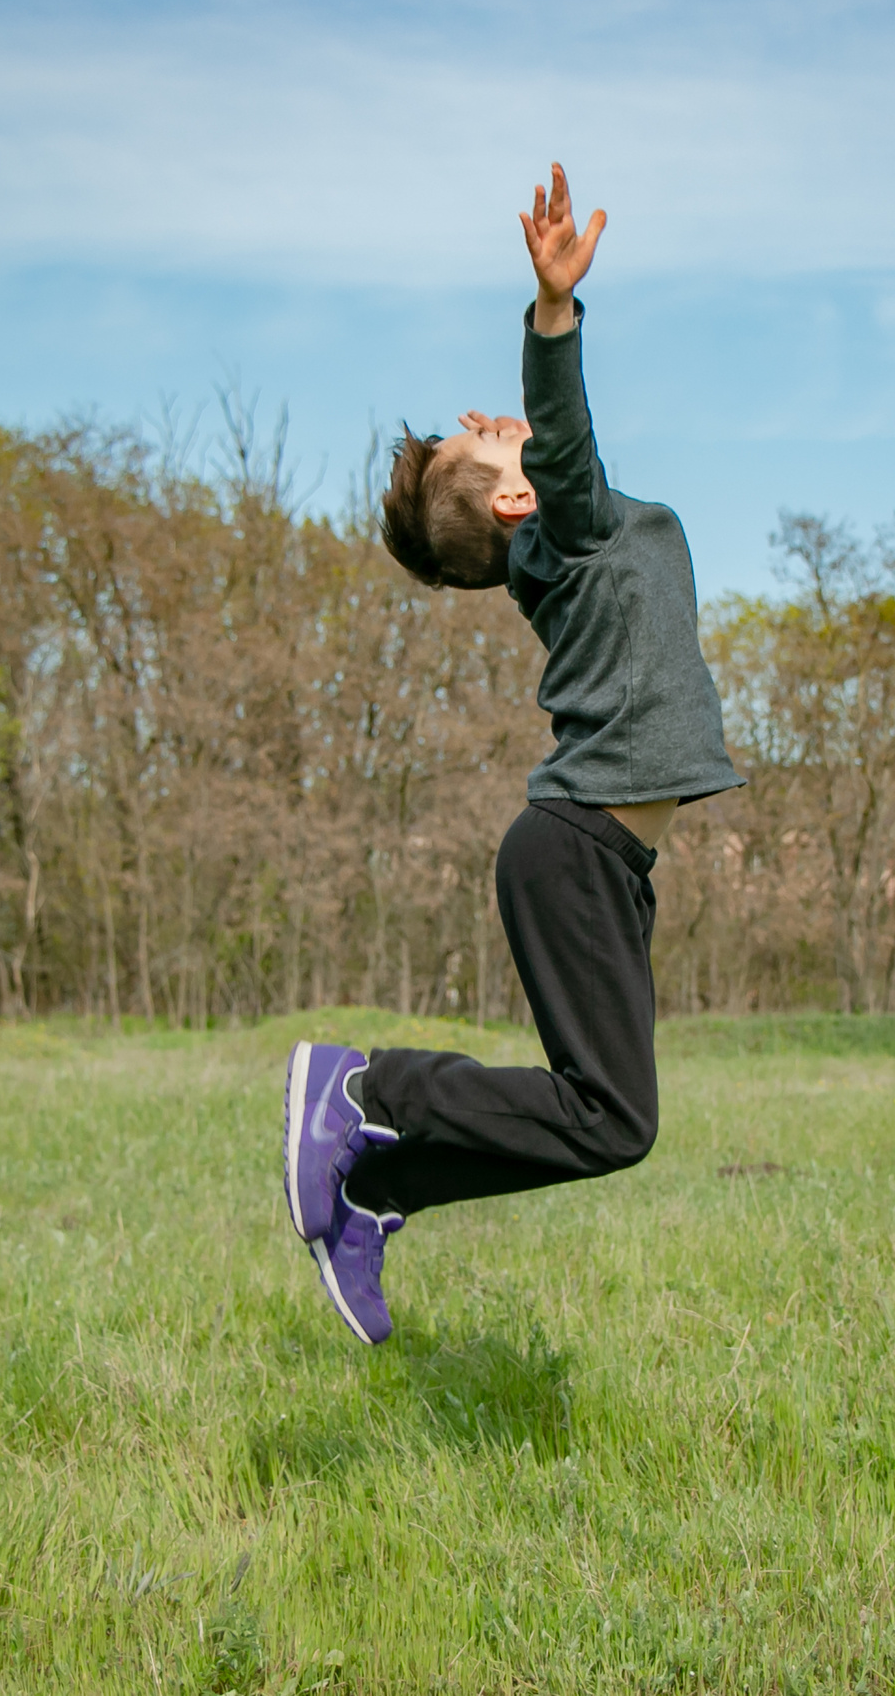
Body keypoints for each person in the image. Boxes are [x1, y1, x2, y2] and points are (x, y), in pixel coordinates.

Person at [282, 164, 743, 1344]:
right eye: (479, 442)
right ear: (510, 506)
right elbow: (568, 441)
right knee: (610, 1119)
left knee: (605, 1122)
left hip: (604, 860)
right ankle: (364, 1090)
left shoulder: (559, 545)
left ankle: (380, 1189)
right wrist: (552, 314)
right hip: (576, 845)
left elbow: (563, 457)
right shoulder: (567, 524)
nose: (493, 421)